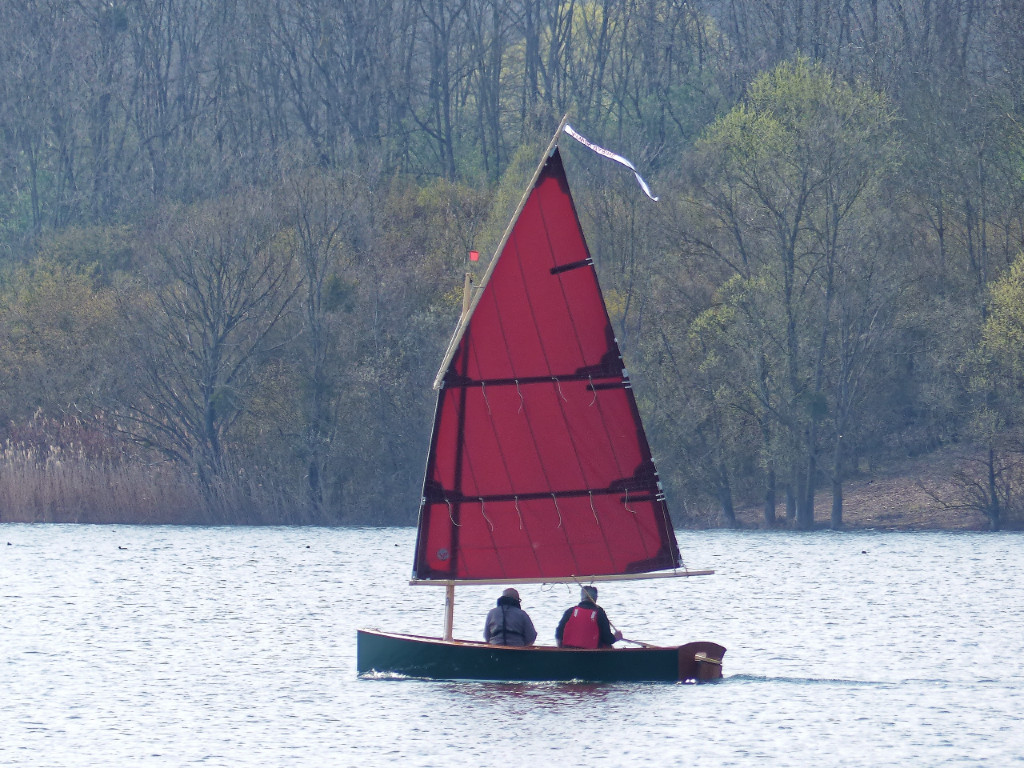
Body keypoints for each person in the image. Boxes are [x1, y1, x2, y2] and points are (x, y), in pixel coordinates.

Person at [555, 586, 623, 649]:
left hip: (568, 654)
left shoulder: (570, 611)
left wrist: (560, 648)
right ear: (596, 598)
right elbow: (607, 639)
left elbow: (558, 634)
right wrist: (616, 637)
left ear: (582, 597)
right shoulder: (599, 612)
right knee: (609, 646)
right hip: (592, 655)